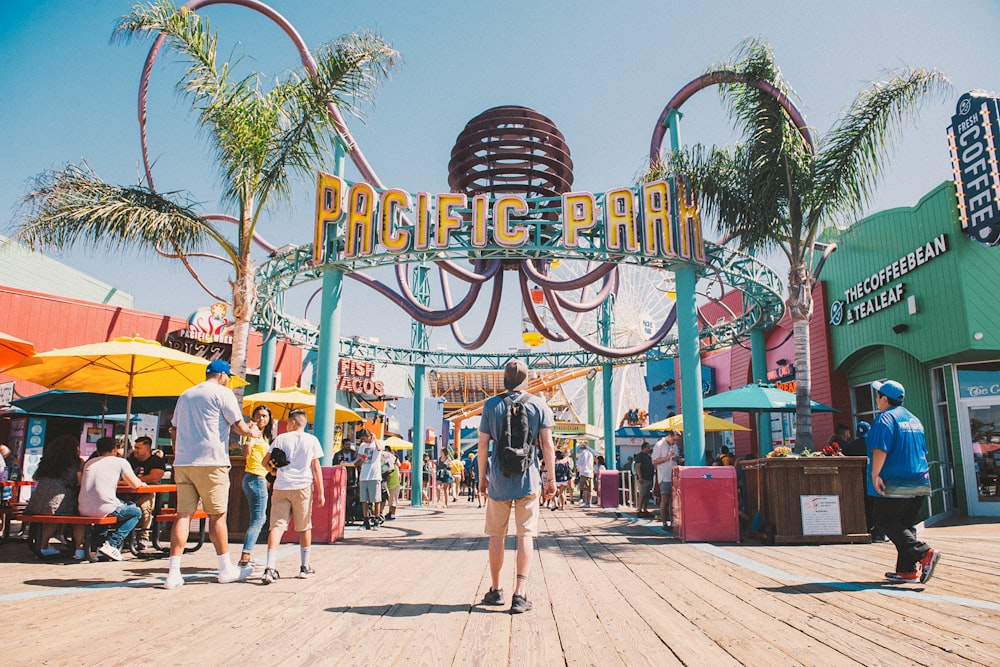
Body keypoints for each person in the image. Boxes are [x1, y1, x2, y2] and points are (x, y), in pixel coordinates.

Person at [164, 359, 259, 589]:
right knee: (217, 516)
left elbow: (174, 429)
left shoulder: (185, 395)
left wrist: (178, 454)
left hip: (184, 462)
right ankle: (225, 568)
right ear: (223, 376)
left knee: (183, 515)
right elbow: (237, 425)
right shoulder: (222, 393)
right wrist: (252, 431)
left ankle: (173, 572)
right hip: (212, 461)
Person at [477, 359, 556, 614]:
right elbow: (547, 445)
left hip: (499, 480)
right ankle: (520, 595)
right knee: (525, 536)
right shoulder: (538, 404)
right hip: (529, 480)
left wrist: (482, 477)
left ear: (504, 380)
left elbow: (482, 446)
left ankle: (496, 589)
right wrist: (551, 479)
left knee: (496, 536)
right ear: (526, 380)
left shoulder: (491, 405)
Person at [867, 380, 940, 584]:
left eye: (878, 396)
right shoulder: (914, 420)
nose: (876, 399)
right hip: (920, 478)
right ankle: (907, 571)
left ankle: (924, 553)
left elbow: (880, 448)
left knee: (884, 520)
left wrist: (875, 474)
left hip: (897, 479)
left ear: (884, 398)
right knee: (905, 524)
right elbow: (924, 451)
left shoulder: (885, 419)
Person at [260, 409, 325, 584]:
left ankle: (270, 567)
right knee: (304, 526)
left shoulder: (281, 438)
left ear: (294, 423)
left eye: (289, 422)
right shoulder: (312, 440)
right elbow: (316, 467)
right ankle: (305, 567)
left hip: (281, 486)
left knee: (277, 526)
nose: (287, 425)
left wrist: (274, 470)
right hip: (303, 487)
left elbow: (264, 463)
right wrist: (321, 492)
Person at [78, 437, 145, 561]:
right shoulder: (120, 462)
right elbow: (135, 484)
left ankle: (99, 547)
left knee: (105, 510)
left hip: (83, 508)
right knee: (135, 512)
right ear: (115, 449)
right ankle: (112, 544)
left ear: (97, 451)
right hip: (105, 507)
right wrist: (141, 483)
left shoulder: (89, 462)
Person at [23, 435, 86, 559]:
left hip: (36, 502)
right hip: (58, 501)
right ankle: (79, 549)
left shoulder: (47, 461)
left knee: (52, 515)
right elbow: (80, 482)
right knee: (80, 516)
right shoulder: (76, 462)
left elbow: (36, 476)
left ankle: (43, 545)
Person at [239, 405, 273, 568]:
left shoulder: (264, 437)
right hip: (254, 478)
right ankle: (245, 556)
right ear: (253, 417)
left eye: (265, 416)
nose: (261, 419)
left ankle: (247, 554)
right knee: (259, 519)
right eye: (258, 416)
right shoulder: (252, 434)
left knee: (257, 518)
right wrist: (249, 437)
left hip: (258, 478)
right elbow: (246, 454)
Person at [125, 435, 166, 550]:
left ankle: (143, 536)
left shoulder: (156, 461)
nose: (135, 450)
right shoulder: (130, 460)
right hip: (128, 492)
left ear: (147, 449)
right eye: (134, 447)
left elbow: (154, 477)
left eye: (138, 448)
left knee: (144, 507)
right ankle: (126, 536)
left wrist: (133, 480)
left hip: (147, 492)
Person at [652, 430, 681, 530]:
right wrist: (667, 457)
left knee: (673, 500)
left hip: (674, 475)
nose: (674, 442)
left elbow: (675, 457)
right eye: (673, 439)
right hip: (664, 476)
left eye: (676, 440)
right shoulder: (659, 445)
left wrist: (676, 458)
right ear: (669, 436)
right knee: (665, 499)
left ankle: (673, 522)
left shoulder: (674, 446)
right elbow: (654, 461)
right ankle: (664, 522)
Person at [355, 428, 384, 529]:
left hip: (374, 475)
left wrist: (375, 439)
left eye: (366, 438)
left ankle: (376, 520)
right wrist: (361, 460)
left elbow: (380, 449)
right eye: (363, 439)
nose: (365, 441)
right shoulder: (363, 446)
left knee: (376, 499)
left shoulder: (378, 443)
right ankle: (365, 520)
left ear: (370, 436)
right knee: (364, 500)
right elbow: (357, 462)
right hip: (364, 475)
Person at [634, 442, 655, 518]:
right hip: (643, 478)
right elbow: (638, 467)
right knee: (642, 495)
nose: (649, 449)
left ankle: (644, 509)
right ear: (644, 448)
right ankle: (639, 510)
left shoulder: (648, 457)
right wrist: (640, 477)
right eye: (648, 448)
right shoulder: (639, 456)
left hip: (649, 478)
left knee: (646, 495)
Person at [382, 445, 401, 520]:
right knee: (391, 500)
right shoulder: (392, 465)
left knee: (393, 501)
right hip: (392, 484)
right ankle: (390, 513)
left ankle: (392, 514)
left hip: (393, 484)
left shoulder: (392, 466)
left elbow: (389, 475)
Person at [576, 442, 595, 507]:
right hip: (590, 472)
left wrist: (578, 469)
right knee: (590, 489)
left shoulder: (582, 454)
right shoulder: (590, 454)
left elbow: (579, 463)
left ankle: (586, 502)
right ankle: (589, 502)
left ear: (581, 448)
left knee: (585, 489)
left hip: (584, 472)